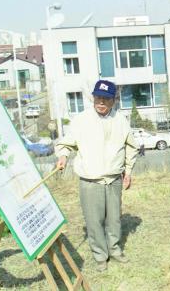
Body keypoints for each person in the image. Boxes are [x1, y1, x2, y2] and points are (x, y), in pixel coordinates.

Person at [55, 80, 139, 272]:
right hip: (90, 181)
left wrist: (128, 171)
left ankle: (115, 250)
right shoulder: (81, 120)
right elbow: (66, 144)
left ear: (113, 100)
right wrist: (63, 156)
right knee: (94, 221)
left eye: (106, 99)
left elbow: (131, 147)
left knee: (114, 219)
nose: (101, 102)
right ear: (93, 98)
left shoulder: (121, 120)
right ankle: (101, 256)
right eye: (98, 98)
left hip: (114, 179)